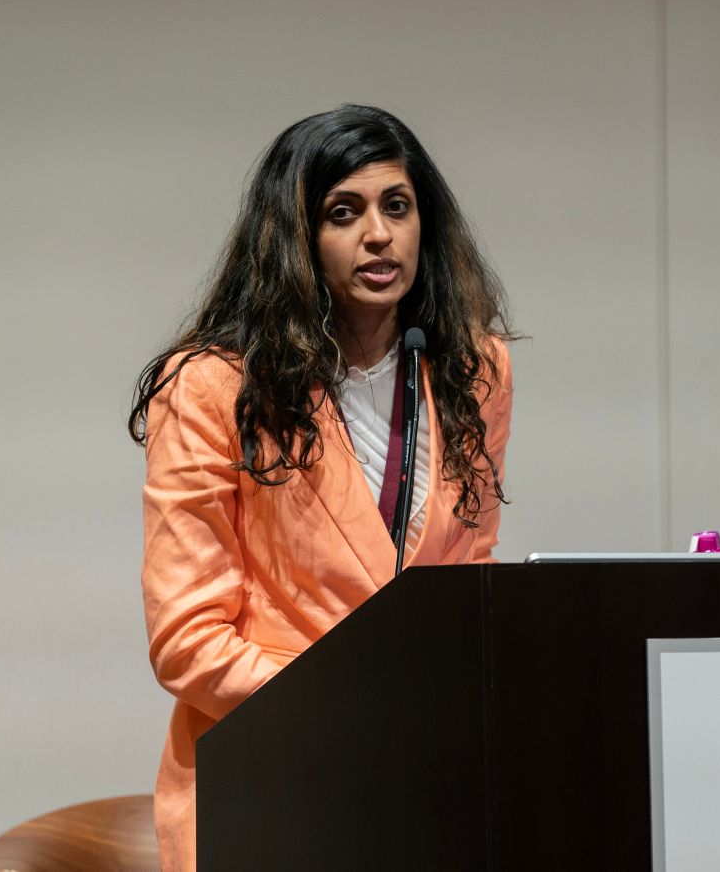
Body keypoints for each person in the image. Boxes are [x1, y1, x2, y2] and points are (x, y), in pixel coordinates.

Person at [128, 104, 516, 872]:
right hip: (266, 775)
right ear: (297, 237)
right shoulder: (211, 386)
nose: (379, 234)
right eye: (344, 212)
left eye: (397, 206)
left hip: (423, 780)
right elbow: (187, 639)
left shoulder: (475, 371)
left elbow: (469, 585)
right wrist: (356, 715)